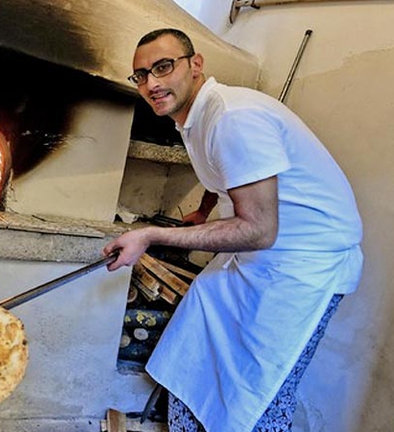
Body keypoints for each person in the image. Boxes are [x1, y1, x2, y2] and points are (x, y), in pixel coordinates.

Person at [103, 29, 363, 432]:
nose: (152, 83)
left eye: (163, 67)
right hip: (266, 252)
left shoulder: (233, 117)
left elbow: (259, 230)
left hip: (302, 268)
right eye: (141, 75)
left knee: (259, 393)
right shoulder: (196, 116)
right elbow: (224, 175)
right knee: (192, 348)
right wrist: (205, 211)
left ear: (196, 64)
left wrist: (152, 234)